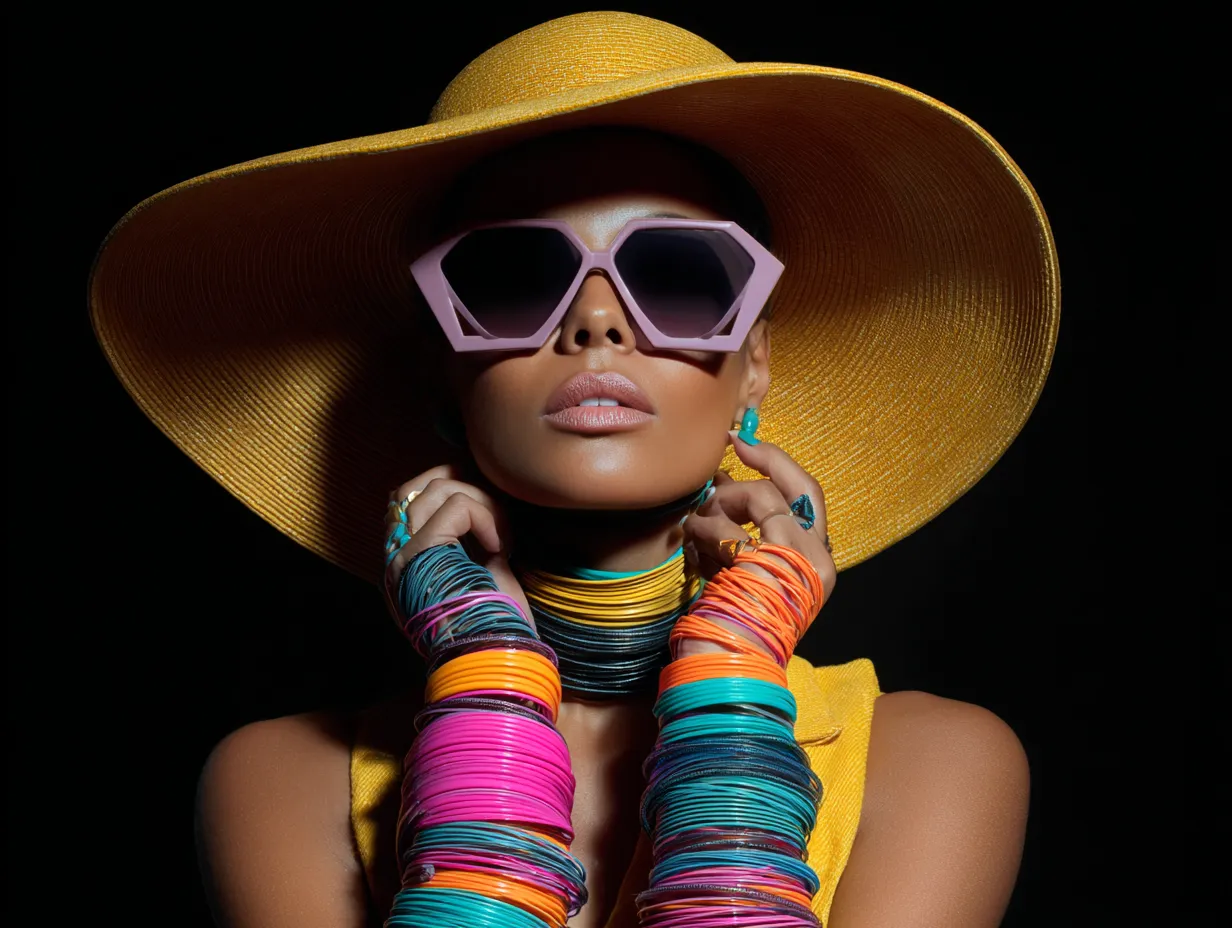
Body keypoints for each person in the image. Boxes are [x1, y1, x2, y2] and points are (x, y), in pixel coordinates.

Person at [89, 12, 1057, 928]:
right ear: (443, 366)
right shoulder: (276, 784)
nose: (595, 320)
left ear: (753, 360)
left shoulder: (934, 766)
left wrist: (731, 671)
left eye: (678, 275)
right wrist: (485, 681)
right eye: (510, 279)